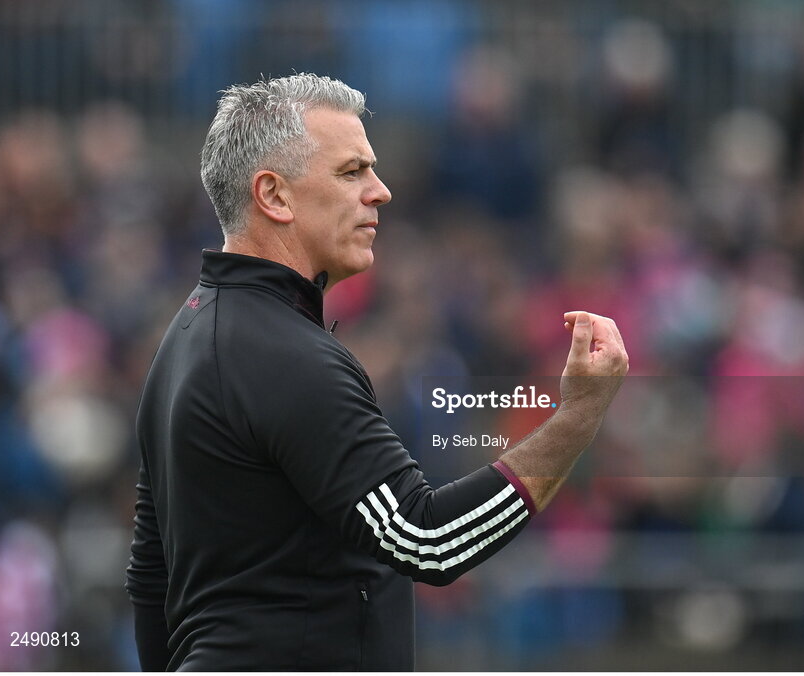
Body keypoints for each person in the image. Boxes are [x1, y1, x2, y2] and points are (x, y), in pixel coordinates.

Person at [125, 73, 628, 671]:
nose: (381, 191)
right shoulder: (284, 356)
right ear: (274, 196)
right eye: (351, 172)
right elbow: (430, 542)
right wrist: (576, 420)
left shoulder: (188, 334)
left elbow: (151, 575)